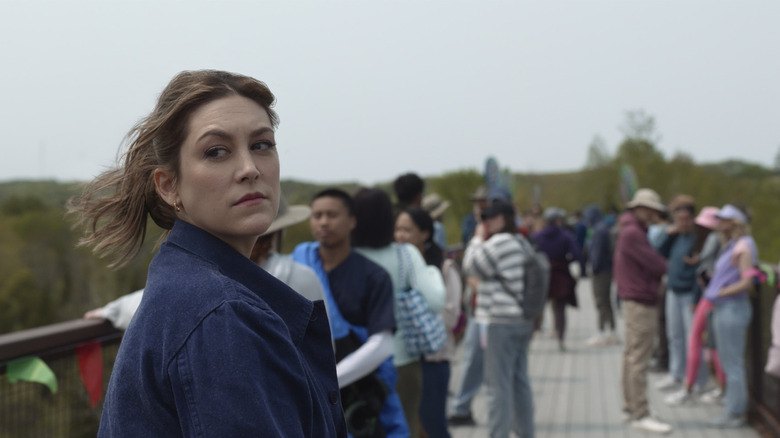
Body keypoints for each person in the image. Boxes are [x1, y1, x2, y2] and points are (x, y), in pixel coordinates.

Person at [67, 70, 346, 436]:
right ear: (168, 185)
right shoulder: (223, 316)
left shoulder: (189, 284)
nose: (249, 169)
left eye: (262, 144)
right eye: (216, 152)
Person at [84, 196, 326, 329]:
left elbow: (157, 301)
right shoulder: (302, 276)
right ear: (276, 234)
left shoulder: (210, 278)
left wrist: (111, 311)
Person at [292, 188, 409, 437]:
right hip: (304, 388)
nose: (323, 221)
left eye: (332, 214)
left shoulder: (374, 276)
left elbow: (382, 343)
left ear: (352, 221)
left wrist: (329, 379)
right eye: (317, 215)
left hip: (361, 388)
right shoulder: (298, 265)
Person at [352, 188, 446, 438]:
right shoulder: (406, 254)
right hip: (401, 362)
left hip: (350, 363)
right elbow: (436, 302)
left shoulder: (341, 256)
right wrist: (433, 272)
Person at [462, 199, 536, 438]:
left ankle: (498, 434)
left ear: (502, 219)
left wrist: (475, 238)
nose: (485, 223)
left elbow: (470, 265)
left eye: (489, 218)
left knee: (497, 387)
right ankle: (526, 432)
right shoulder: (522, 242)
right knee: (519, 381)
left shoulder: (499, 242)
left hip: (500, 321)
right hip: (522, 319)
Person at [395, 207, 462, 438]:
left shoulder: (444, 268)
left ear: (425, 233)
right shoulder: (399, 267)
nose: (400, 235)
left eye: (407, 230)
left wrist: (414, 319)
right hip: (406, 361)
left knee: (433, 428)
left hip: (433, 359)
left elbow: (450, 317)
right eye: (397, 229)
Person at [613, 188, 671, 434]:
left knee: (631, 355)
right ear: (639, 209)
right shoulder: (633, 233)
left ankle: (630, 407)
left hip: (633, 298)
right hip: (641, 300)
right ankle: (640, 412)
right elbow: (657, 263)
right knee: (639, 358)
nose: (653, 215)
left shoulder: (629, 230)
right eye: (650, 210)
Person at [664, 206, 726, 406]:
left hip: (709, 297)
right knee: (703, 344)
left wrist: (696, 294)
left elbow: (706, 272)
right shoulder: (711, 241)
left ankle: (703, 387)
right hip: (708, 296)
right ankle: (693, 386)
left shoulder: (715, 241)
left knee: (704, 345)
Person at [702, 204, 757, 428]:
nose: (719, 222)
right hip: (724, 308)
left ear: (734, 222)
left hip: (732, 308)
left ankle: (735, 412)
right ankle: (732, 408)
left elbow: (748, 281)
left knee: (733, 362)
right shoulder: (732, 245)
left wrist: (721, 291)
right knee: (728, 360)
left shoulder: (743, 246)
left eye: (724, 219)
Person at [652, 195, 709, 393]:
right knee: (674, 336)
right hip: (673, 291)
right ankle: (676, 374)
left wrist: (696, 298)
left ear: (692, 218)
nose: (682, 223)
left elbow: (700, 270)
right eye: (679, 219)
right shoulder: (676, 236)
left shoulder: (698, 239)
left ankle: (699, 380)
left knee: (692, 339)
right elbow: (658, 252)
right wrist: (669, 233)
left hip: (689, 295)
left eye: (686, 219)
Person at [532, 207, 579, 352]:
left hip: (542, 274)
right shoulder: (565, 236)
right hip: (560, 274)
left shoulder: (538, 236)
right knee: (560, 310)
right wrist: (567, 261)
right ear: (558, 220)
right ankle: (561, 340)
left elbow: (531, 254)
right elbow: (576, 254)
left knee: (537, 309)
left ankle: (529, 341)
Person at [583, 205, 620, 347]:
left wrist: (594, 268)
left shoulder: (598, 231)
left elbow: (597, 253)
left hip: (600, 271)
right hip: (607, 269)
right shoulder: (603, 227)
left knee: (601, 301)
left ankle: (601, 332)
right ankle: (612, 331)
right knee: (607, 301)